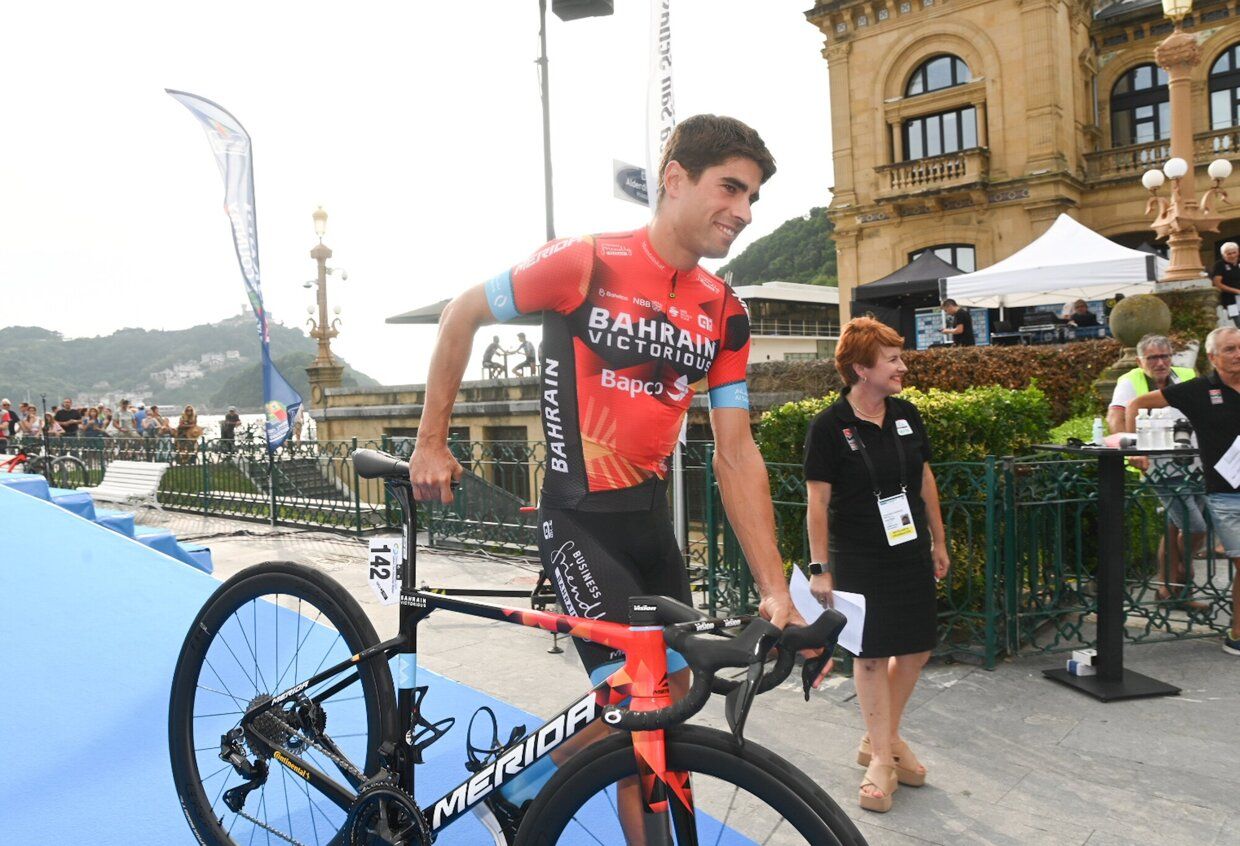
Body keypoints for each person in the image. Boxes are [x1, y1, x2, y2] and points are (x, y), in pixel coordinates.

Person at [407, 114, 811, 838]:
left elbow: (736, 451)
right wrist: (430, 442)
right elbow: (461, 312)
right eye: (731, 188)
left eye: (754, 198)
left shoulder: (724, 313)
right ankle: (533, 784)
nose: (745, 213)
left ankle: (527, 778)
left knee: (673, 692)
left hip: (649, 525)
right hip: (578, 516)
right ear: (675, 179)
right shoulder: (583, 261)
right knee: (645, 698)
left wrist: (776, 589)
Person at [803, 316, 951, 813]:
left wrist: (938, 540)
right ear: (862, 369)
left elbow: (924, 479)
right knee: (868, 655)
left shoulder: (907, 414)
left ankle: (880, 740)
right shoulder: (828, 427)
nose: (903, 367)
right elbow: (817, 504)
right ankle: (884, 759)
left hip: (908, 550)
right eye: (892, 359)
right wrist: (820, 567)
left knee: (915, 649)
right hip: (859, 554)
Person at [1127, 326, 1240, 656]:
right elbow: (1135, 404)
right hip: (1226, 494)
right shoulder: (1200, 389)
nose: (1238, 354)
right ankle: (1236, 635)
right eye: (1230, 349)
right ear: (1213, 357)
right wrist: (1137, 450)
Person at [1108, 334, 1206, 604]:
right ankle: (1183, 574)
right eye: (1153, 358)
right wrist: (1132, 450)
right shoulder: (1130, 381)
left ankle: (1168, 590)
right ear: (1140, 361)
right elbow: (1115, 416)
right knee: (1194, 527)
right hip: (1160, 467)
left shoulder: (1186, 374)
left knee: (1175, 528)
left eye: (1165, 356)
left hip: (1195, 462)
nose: (1160, 362)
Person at [1210, 241, 1240, 329]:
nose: (1232, 256)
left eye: (1234, 252)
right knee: (1238, 321)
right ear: (1223, 255)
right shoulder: (1219, 265)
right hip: (1230, 300)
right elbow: (1217, 283)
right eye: (1229, 254)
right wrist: (1236, 291)